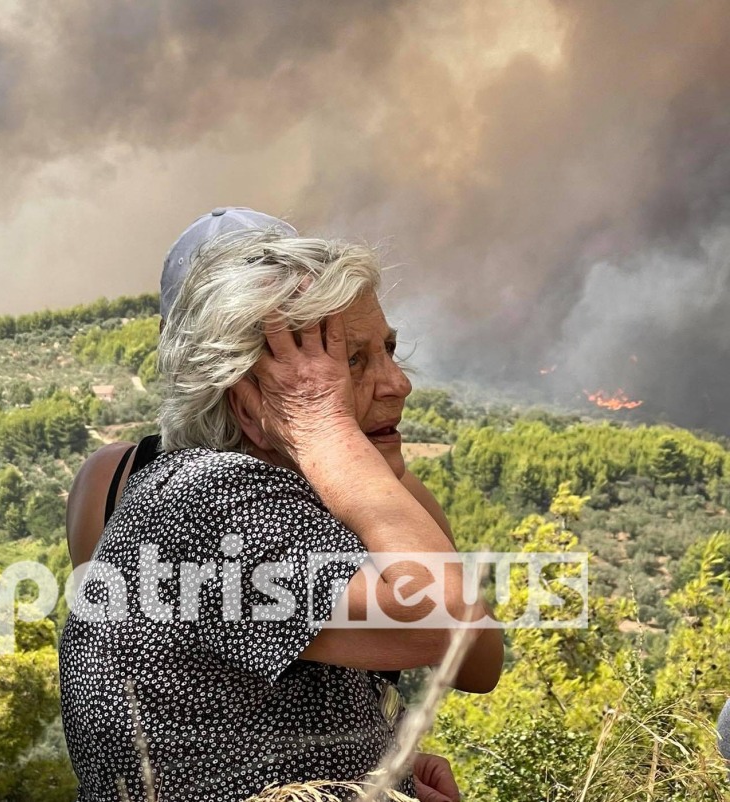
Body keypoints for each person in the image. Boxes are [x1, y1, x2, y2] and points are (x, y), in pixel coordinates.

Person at [60, 223, 502, 801]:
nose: (398, 384)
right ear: (249, 401)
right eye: (351, 361)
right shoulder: (212, 501)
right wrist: (324, 430)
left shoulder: (248, 494)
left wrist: (384, 760)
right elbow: (444, 623)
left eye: (389, 351)